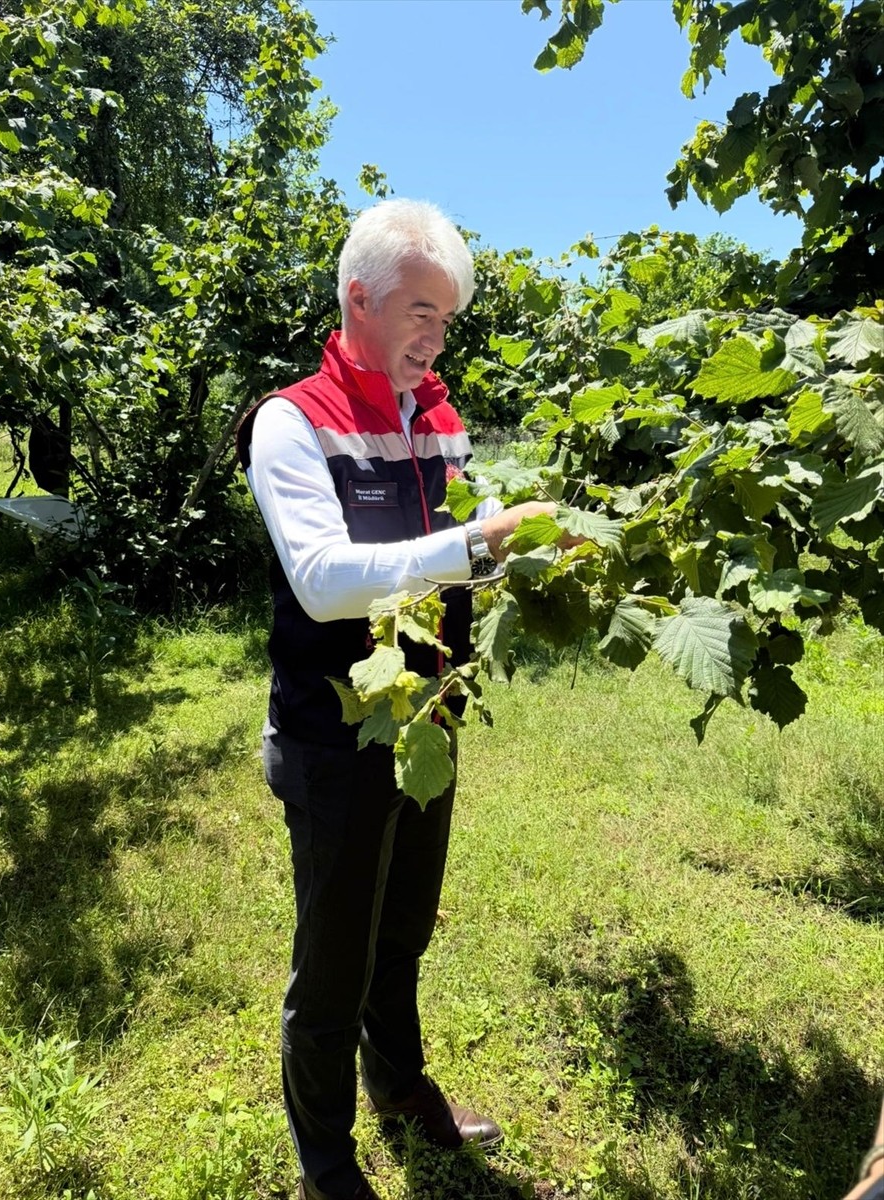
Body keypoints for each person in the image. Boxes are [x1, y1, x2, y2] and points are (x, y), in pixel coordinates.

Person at [237, 198, 582, 1200]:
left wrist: (534, 564)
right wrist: (475, 544)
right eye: (418, 312)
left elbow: (461, 567)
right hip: (330, 734)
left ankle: (398, 1088)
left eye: (447, 318)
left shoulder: (438, 420)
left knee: (403, 930)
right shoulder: (290, 423)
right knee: (333, 961)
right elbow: (323, 579)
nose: (435, 337)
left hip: (426, 723)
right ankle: (326, 1161)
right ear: (358, 297)